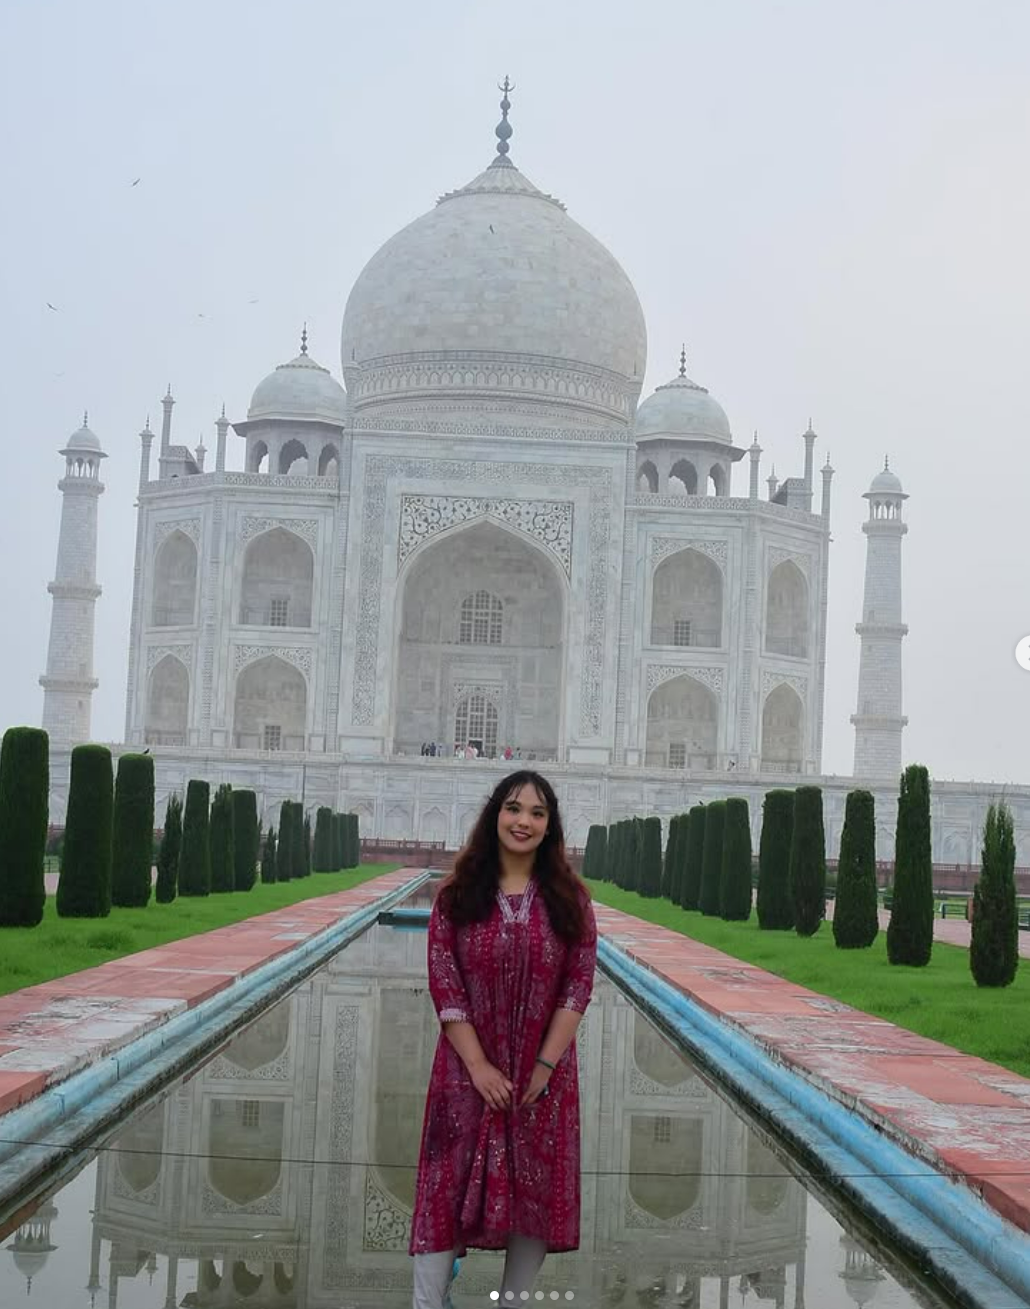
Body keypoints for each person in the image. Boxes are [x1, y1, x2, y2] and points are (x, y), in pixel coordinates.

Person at [409, 770, 598, 1308]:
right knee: (446, 1183)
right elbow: (445, 985)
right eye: (515, 809)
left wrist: (543, 1066)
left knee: (534, 1189)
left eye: (537, 813)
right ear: (495, 814)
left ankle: (511, 1301)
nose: (524, 822)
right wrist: (478, 1068)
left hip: (543, 1077)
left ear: (550, 825)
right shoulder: (458, 896)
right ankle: (426, 1302)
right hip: (465, 1072)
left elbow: (577, 986)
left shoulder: (569, 899)